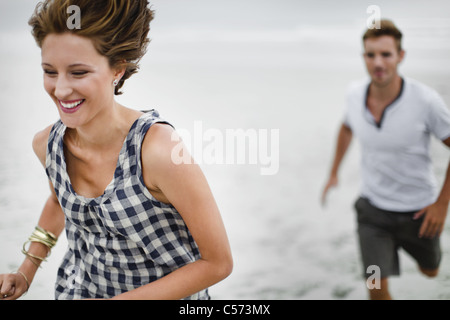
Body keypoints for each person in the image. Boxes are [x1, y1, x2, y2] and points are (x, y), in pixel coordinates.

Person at [0, 0, 232, 300]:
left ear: (117, 70)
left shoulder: (159, 151)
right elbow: (59, 203)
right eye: (50, 71)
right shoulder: (47, 144)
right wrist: (25, 271)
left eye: (79, 72)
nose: (60, 89)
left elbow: (217, 263)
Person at [321, 19, 450, 300]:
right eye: (370, 55)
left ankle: (405, 251)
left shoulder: (426, 101)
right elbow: (346, 126)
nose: (378, 62)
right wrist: (333, 173)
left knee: (430, 271)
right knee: (376, 286)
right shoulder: (355, 95)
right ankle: (383, 253)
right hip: (372, 212)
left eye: (386, 54)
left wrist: (441, 204)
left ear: (400, 56)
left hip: (419, 212)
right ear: (363, 57)